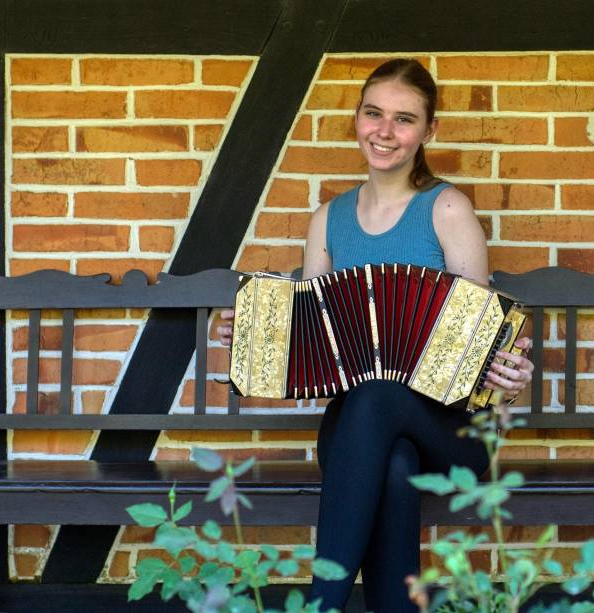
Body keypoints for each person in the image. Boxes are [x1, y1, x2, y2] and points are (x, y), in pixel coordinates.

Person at [219, 58, 534, 613]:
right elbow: (310, 349)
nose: (385, 132)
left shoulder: (448, 209)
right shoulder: (328, 220)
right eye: (374, 114)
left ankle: (321, 606)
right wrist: (250, 333)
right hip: (354, 435)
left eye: (404, 119)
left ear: (428, 131)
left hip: (449, 431)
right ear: (357, 118)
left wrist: (510, 378)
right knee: (389, 459)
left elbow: (483, 348)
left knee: (379, 392)